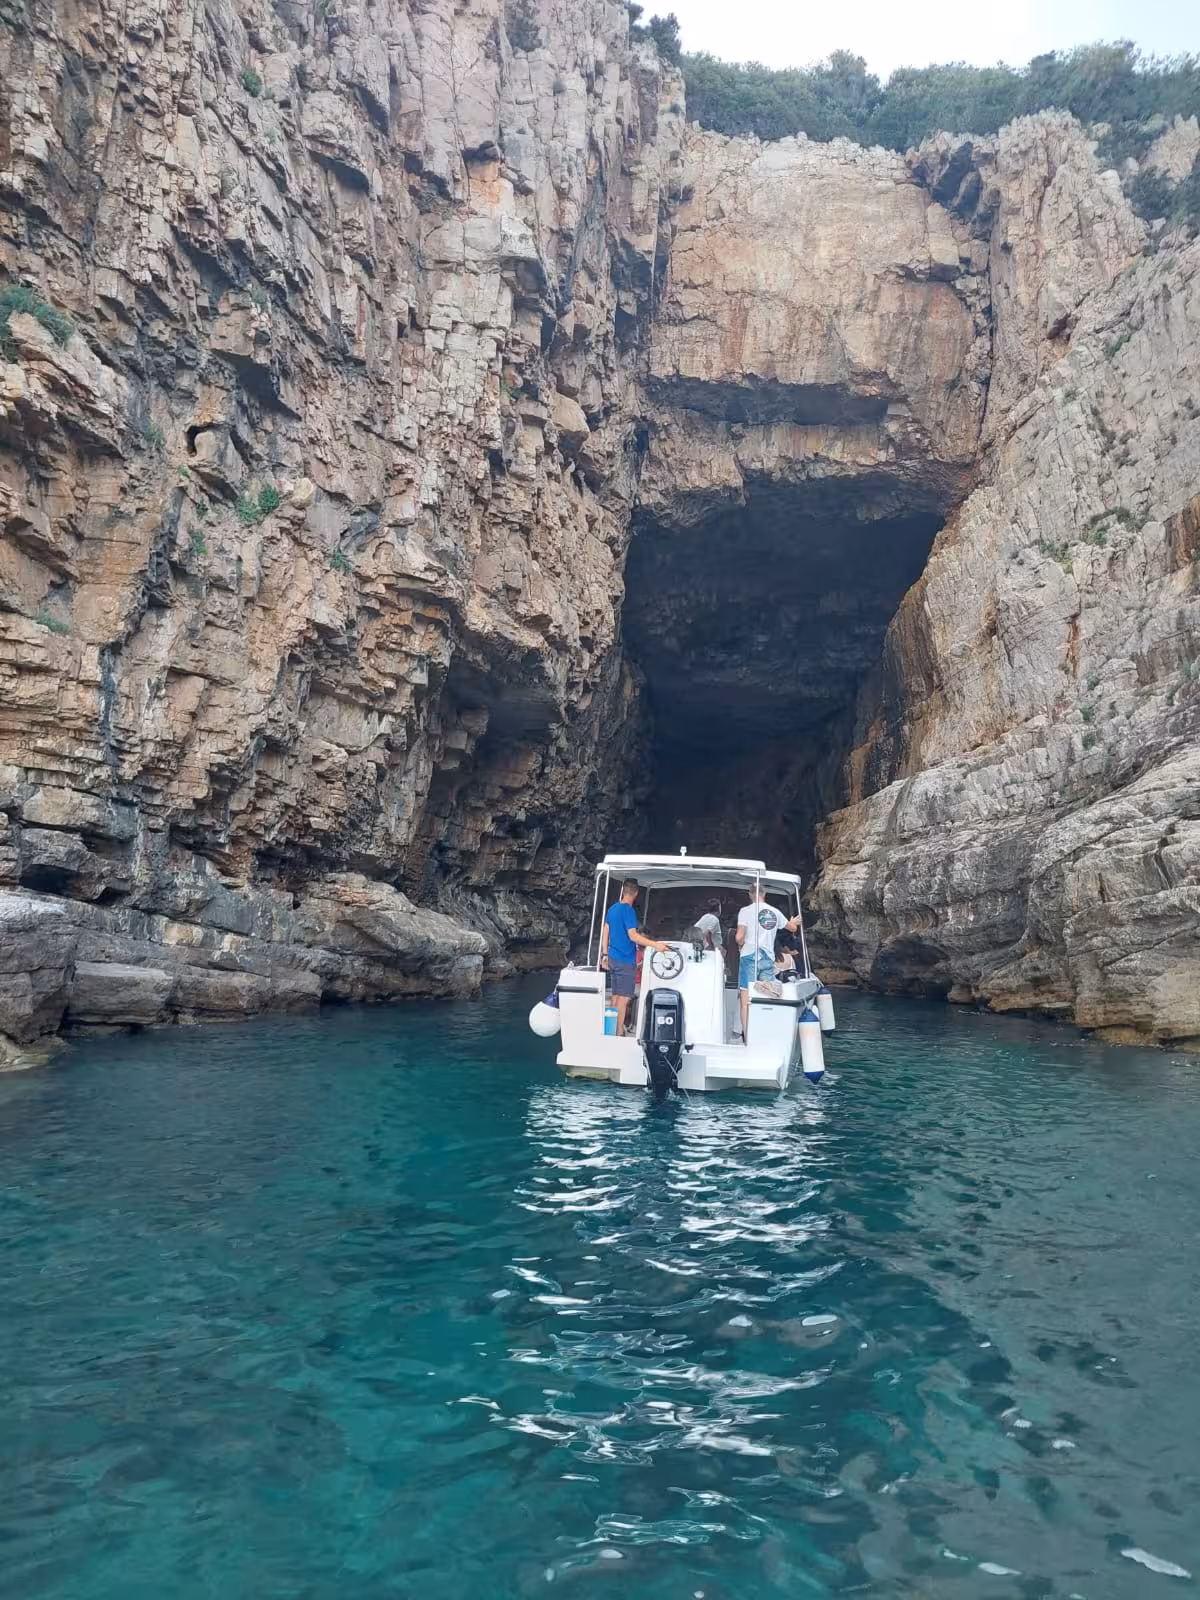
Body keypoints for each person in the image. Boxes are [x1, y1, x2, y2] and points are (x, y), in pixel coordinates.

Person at [600, 878, 670, 1037]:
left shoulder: (612, 909)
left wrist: (604, 954)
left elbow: (606, 932)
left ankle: (609, 1029)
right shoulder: (628, 911)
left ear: (623, 891)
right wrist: (655, 945)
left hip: (612, 957)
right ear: (636, 893)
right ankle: (618, 1032)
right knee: (624, 998)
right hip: (625, 960)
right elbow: (633, 936)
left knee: (615, 996)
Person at [735, 885, 800, 1041]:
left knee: (746, 1000)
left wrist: (741, 944)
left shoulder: (745, 911)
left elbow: (739, 937)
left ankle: (747, 1038)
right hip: (767, 958)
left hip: (749, 957)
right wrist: (793, 921)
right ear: (765, 894)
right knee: (766, 995)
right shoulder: (774, 911)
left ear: (750, 895)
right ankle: (766, 1034)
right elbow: (792, 928)